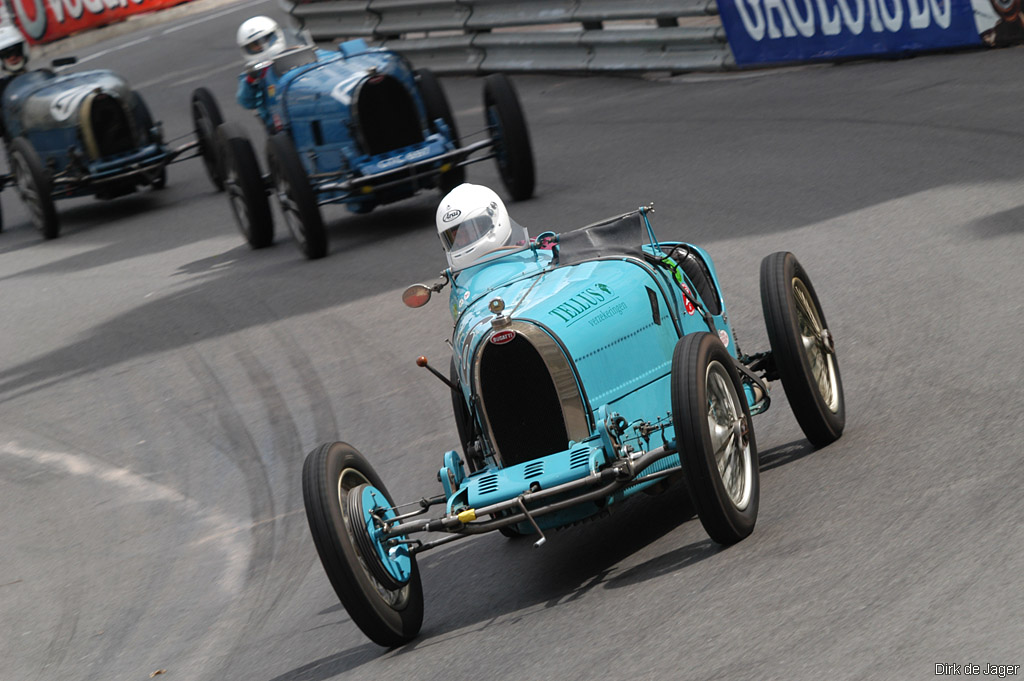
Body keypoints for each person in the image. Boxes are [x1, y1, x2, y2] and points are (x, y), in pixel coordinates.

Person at [435, 183, 528, 271]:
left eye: (469, 232)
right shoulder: (458, 283)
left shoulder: (532, 253)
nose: (463, 241)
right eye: (457, 238)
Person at [0, 24, 28, 138]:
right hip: (18, 139)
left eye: (16, 51)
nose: (13, 57)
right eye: (6, 54)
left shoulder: (41, 74)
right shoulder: (1, 87)